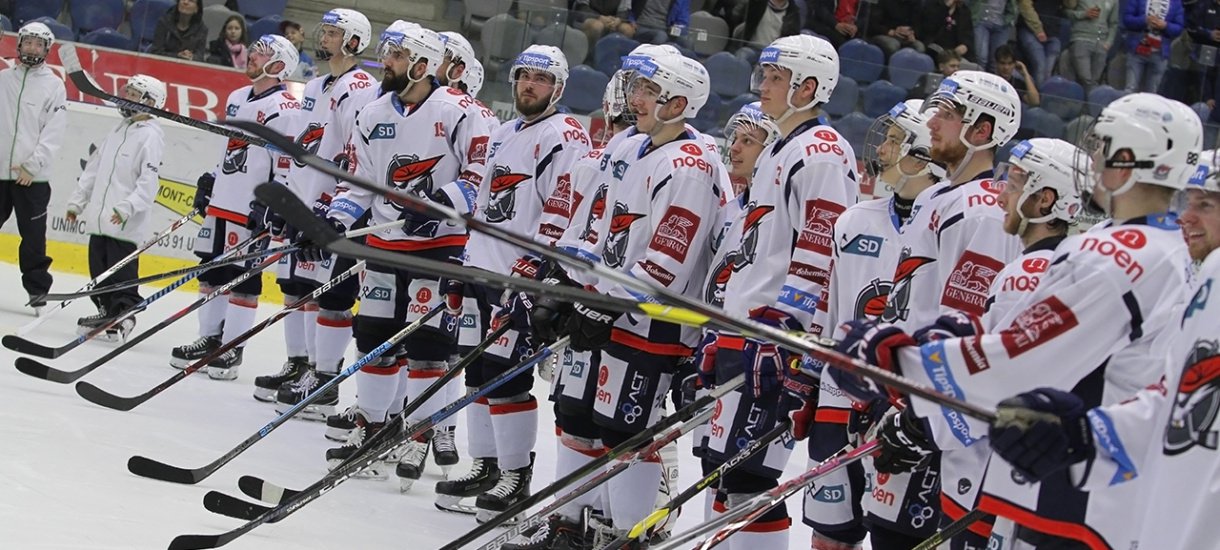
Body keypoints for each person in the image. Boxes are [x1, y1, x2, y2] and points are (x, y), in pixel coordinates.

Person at [834, 92, 1199, 550]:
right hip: (1107, 480)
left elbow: (1023, 361)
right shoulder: (1170, 249)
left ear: (1128, 160)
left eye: (1103, 147)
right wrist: (968, 336)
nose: (1093, 159)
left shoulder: (1119, 257)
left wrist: (895, 364)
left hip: (1080, 496)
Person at [697, 33, 858, 549]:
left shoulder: (822, 152)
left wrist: (786, 331)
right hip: (745, 331)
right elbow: (755, 252)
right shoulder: (780, 150)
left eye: (776, 78)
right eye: (763, 75)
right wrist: (722, 326)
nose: (763, 85)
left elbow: (822, 251)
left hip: (773, 340)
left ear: (808, 87)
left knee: (751, 480)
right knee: (724, 471)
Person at [318, 21, 488, 478]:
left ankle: (418, 434)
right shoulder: (373, 112)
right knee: (374, 338)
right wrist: (335, 219)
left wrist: (439, 204)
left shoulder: (459, 111)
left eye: (396, 56)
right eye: (387, 53)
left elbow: (481, 177)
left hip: (439, 247)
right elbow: (360, 183)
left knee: (428, 347)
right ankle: (372, 426)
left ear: (422, 64)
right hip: (384, 245)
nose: (385, 62)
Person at [432, 43, 590, 516]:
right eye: (524, 76)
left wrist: (535, 272)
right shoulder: (504, 132)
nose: (529, 85)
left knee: (506, 379)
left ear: (558, 88)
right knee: (477, 371)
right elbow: (482, 207)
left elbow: (564, 212)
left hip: (518, 281)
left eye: (541, 79)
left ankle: (515, 476)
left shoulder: (565, 136)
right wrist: (464, 263)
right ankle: (486, 465)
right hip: (483, 271)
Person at [797, 99, 943, 550]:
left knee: (892, 536)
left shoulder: (950, 226)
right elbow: (831, 306)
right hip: (839, 398)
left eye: (895, 140)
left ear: (923, 153)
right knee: (829, 536)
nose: (881, 148)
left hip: (901, 413)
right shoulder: (853, 220)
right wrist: (807, 378)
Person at [258, 9, 378, 432]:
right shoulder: (312, 85)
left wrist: (331, 204)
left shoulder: (361, 88)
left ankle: (324, 379)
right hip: (305, 202)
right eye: (324, 30)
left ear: (354, 41)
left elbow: (354, 155)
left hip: (334, 208)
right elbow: (301, 146)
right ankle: (301, 365)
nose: (323, 37)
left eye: (332, 32)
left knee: (329, 294)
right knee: (297, 287)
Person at [169, 35, 301, 379]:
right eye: (253, 50)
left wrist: (273, 201)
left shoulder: (286, 108)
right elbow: (229, 149)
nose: (252, 55)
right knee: (211, 272)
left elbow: (286, 164)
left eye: (262, 53)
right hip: (223, 202)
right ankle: (209, 338)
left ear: (279, 64)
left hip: (251, 208)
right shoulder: (237, 97)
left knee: (242, 279)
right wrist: (212, 179)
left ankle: (232, 347)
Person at [66, 76, 167, 342]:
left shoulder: (151, 136)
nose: (126, 98)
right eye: (127, 92)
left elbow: (149, 182)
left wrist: (127, 208)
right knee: (98, 271)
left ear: (150, 101)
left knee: (120, 272)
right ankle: (106, 312)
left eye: (133, 94)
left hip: (124, 222)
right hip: (100, 219)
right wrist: (78, 201)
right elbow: (94, 168)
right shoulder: (119, 129)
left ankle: (125, 314)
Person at [0, 22, 66, 316]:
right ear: (19, 44)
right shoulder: (3, 79)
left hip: (32, 178)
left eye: (39, 44)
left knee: (33, 238)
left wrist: (32, 165)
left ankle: (38, 291)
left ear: (47, 50)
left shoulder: (54, 85)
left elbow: (54, 131)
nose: (32, 48)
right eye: (28, 42)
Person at [1121, 0, 1184, 93]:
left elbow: (1179, 28)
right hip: (1137, 51)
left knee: (1152, 94)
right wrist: (1144, 20)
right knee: (1130, 89)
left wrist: (1165, 26)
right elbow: (1127, 19)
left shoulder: (1176, 2)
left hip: (1160, 54)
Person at [1066, 0, 1119, 92]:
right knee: (1085, 78)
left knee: (1094, 81)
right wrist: (1084, 14)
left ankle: (1088, 100)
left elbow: (1113, 23)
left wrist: (1109, 42)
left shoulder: (1114, 1)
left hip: (1101, 43)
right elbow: (1066, 12)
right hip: (1081, 38)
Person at [1016, 0, 1065, 85]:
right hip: (1030, 30)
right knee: (1040, 65)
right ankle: (1036, 93)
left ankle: (1042, 91)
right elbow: (1025, 5)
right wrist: (1038, 29)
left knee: (1048, 72)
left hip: (1052, 33)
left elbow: (1071, 5)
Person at [734, 0, 806, 49]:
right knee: (744, 55)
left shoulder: (793, 13)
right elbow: (735, 15)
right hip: (751, 47)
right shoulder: (756, 3)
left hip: (772, 54)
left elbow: (792, 40)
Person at [969, 0, 1017, 70]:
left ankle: (993, 76)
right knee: (981, 58)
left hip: (1002, 23)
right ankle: (980, 75)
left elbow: (1013, 6)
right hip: (981, 21)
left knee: (996, 60)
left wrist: (1009, 19)